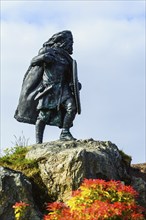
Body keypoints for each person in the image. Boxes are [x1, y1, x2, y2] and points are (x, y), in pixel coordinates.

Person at [14, 30, 81, 143]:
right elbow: (33, 61)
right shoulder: (47, 51)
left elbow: (70, 75)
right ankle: (38, 141)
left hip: (63, 89)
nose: (71, 45)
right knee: (44, 116)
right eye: (70, 42)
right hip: (49, 88)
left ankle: (65, 132)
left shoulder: (67, 59)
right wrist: (43, 57)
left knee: (72, 108)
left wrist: (76, 84)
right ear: (62, 42)